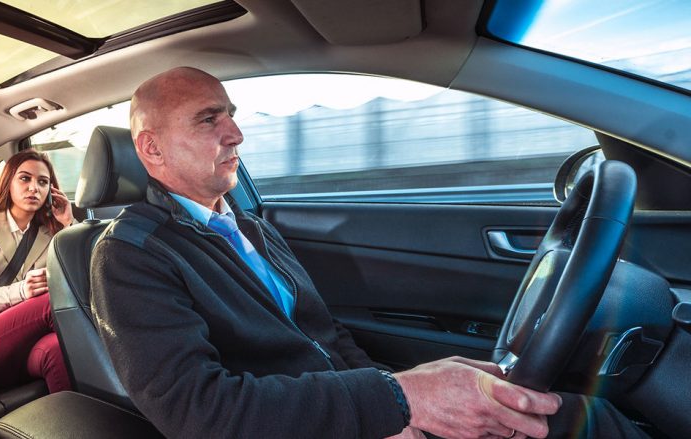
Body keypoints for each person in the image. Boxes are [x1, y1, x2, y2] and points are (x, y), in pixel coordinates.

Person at [89, 67, 648, 439]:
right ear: (152, 148)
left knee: (575, 413)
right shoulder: (130, 256)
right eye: (209, 119)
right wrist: (395, 401)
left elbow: (328, 337)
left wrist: (398, 402)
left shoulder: (253, 227)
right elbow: (197, 411)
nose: (236, 132)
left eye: (231, 114)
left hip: (353, 416)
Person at [0, 149, 74, 393]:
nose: (34, 188)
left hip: (30, 339)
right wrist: (22, 291)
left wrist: (69, 224)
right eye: (25, 178)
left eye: (43, 182)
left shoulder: (53, 231)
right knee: (53, 300)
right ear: (8, 182)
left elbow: (81, 276)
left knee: (55, 348)